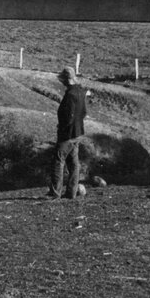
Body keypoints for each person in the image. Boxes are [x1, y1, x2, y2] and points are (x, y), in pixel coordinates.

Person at [48, 67, 88, 200]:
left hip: (68, 134)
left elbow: (68, 117)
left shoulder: (70, 94)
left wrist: (62, 129)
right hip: (78, 132)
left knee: (58, 162)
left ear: (66, 79)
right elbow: (83, 113)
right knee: (73, 163)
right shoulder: (81, 91)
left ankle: (56, 193)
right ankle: (71, 192)